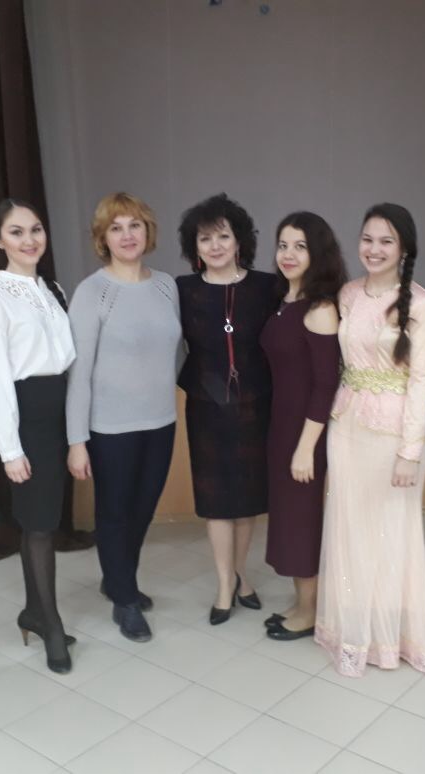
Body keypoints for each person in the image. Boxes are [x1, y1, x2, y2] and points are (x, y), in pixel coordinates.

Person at [316, 203, 425, 676]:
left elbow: (422, 380)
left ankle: (391, 636)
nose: (374, 249)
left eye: (386, 241)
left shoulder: (421, 304)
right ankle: (352, 629)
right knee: (348, 525)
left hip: (393, 435)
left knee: (391, 532)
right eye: (368, 239)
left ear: (404, 248)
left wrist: (411, 452)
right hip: (346, 424)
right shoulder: (348, 294)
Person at [66, 192, 182, 643]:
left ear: (147, 231)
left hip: (161, 422)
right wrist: (77, 440)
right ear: (103, 238)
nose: (127, 235)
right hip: (110, 428)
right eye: (116, 228)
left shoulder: (166, 286)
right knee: (115, 513)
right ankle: (124, 598)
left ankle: (118, 579)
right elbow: (79, 373)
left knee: (143, 510)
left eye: (134, 225)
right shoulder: (93, 292)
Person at [0, 199, 78, 673]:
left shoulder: (53, 289)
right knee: (36, 524)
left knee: (46, 519)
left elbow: (68, 358)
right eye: (16, 232)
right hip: (27, 416)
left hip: (60, 413)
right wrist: (9, 448)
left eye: (35, 229)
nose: (29, 239)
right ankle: (49, 621)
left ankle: (34, 612)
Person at [176, 194, 277, 625]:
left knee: (248, 500)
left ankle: (240, 574)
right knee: (217, 501)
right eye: (205, 239)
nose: (215, 246)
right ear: (194, 246)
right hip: (207, 409)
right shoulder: (183, 290)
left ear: (240, 241)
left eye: (223, 236)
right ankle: (224, 584)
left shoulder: (268, 287)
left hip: (256, 407)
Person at [260, 211, 345, 641]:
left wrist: (305, 447)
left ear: (318, 253)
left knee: (303, 521)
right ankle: (302, 602)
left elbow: (326, 384)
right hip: (282, 426)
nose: (288, 254)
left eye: (300, 246)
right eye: (283, 245)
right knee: (291, 518)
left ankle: (311, 611)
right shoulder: (285, 301)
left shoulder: (321, 309)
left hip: (305, 433)